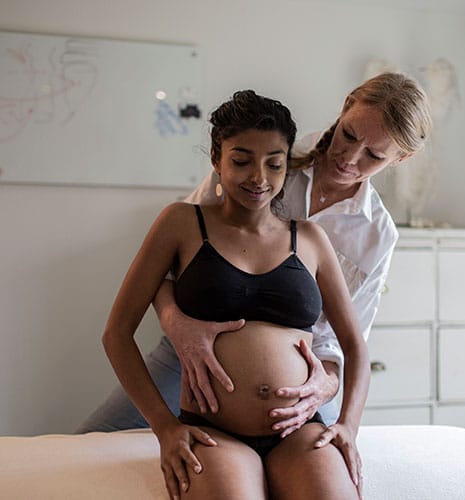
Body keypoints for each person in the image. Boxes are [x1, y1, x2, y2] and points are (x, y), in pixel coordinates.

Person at [77, 72, 431, 434]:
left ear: (401, 158)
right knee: (92, 442)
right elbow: (169, 260)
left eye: (373, 154)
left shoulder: (376, 234)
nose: (349, 157)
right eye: (350, 135)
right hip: (192, 355)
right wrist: (177, 324)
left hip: (295, 390)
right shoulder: (266, 159)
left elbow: (345, 341)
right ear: (345, 108)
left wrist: (326, 385)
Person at [100, 89, 370, 500]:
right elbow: (117, 333)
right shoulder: (181, 222)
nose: (259, 178)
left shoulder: (311, 239)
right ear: (216, 159)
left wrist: (347, 426)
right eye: (241, 160)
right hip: (214, 432)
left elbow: (355, 346)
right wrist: (165, 427)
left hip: (299, 430)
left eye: (274, 164)